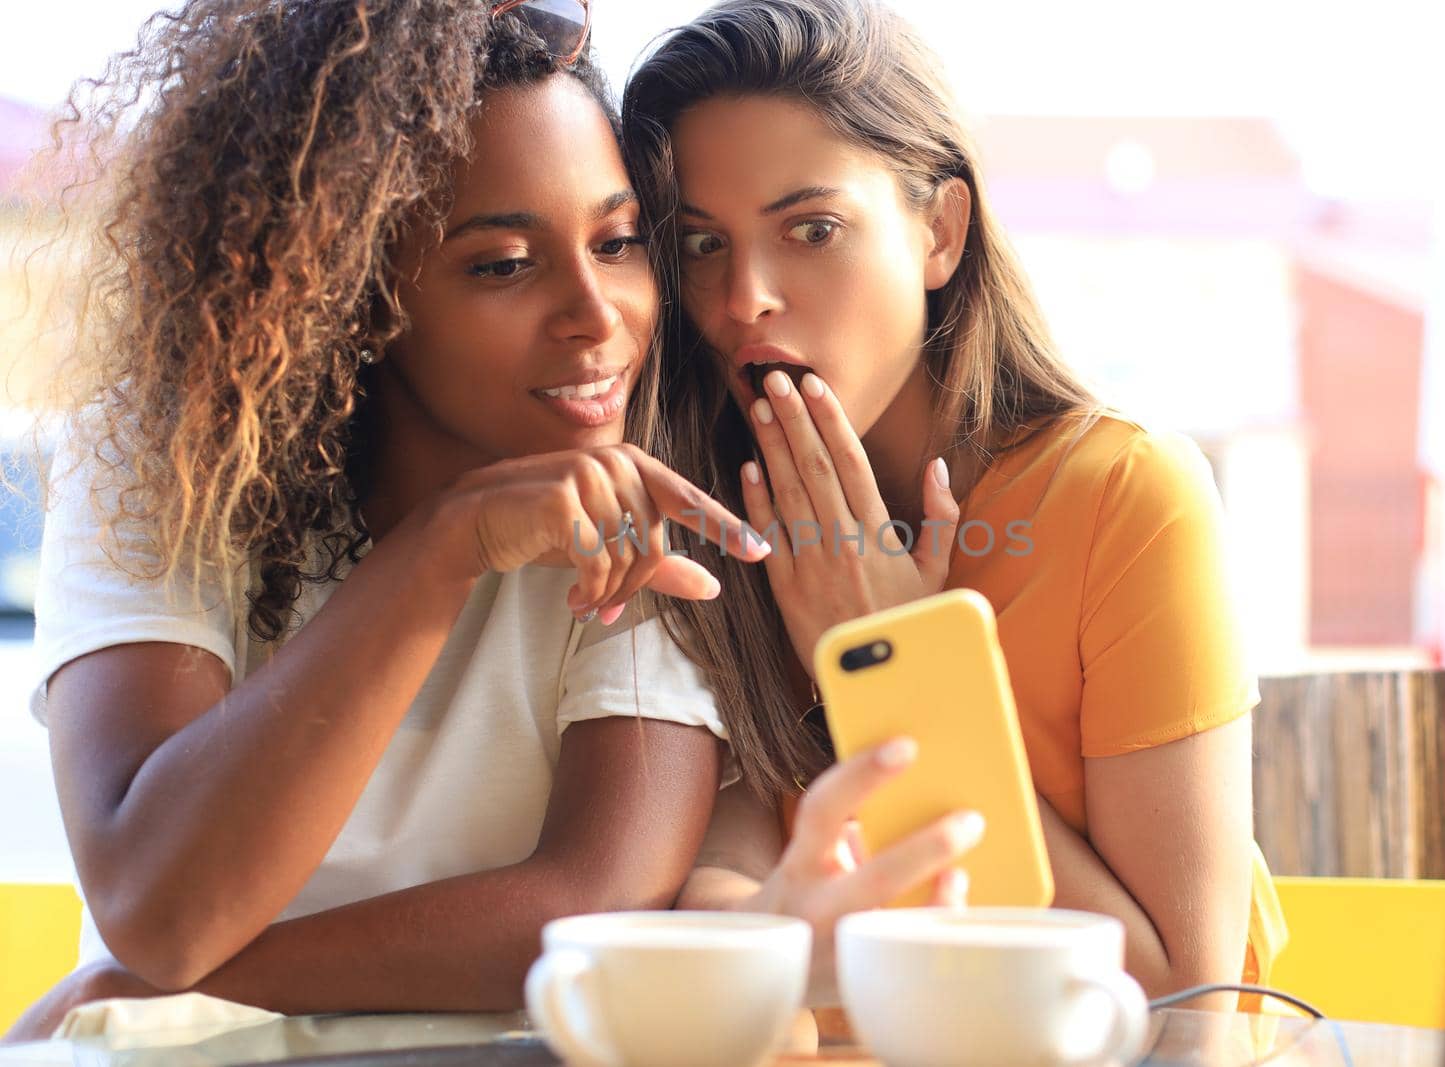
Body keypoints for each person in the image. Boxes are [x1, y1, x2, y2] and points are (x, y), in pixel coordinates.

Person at [4, 0, 772, 1042]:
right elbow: (160, 904)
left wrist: (188, 989)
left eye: (619, 241)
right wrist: (443, 551)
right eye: (502, 263)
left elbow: (602, 896)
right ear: (354, 295)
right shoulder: (165, 463)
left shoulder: (651, 480)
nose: (598, 314)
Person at [622, 0, 1287, 1007]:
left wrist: (902, 659)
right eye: (703, 244)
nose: (744, 296)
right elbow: (721, 895)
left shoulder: (1126, 494)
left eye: (811, 229)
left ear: (939, 232)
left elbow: (1175, 994)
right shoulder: (725, 519)